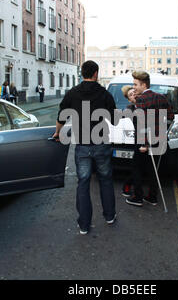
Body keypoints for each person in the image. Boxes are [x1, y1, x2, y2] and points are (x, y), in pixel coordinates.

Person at [53, 60, 118, 235]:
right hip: (101, 144)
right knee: (105, 179)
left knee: (83, 182)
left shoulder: (72, 93)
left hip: (82, 145)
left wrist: (57, 133)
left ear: (82, 73)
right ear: (96, 73)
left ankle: (83, 224)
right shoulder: (104, 93)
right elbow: (114, 120)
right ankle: (110, 216)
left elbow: (61, 116)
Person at [126, 71, 174, 207]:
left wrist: (145, 144)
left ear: (143, 84)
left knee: (136, 168)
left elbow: (142, 124)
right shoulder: (161, 97)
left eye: (135, 84)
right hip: (159, 140)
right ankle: (152, 197)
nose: (134, 87)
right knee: (153, 170)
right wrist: (162, 131)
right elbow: (171, 117)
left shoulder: (142, 100)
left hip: (144, 142)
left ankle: (138, 197)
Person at [120, 85, 138, 198]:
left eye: (134, 92)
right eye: (131, 95)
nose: (134, 95)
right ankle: (127, 186)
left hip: (145, 139)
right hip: (133, 140)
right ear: (129, 99)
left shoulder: (144, 104)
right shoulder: (128, 109)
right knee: (137, 166)